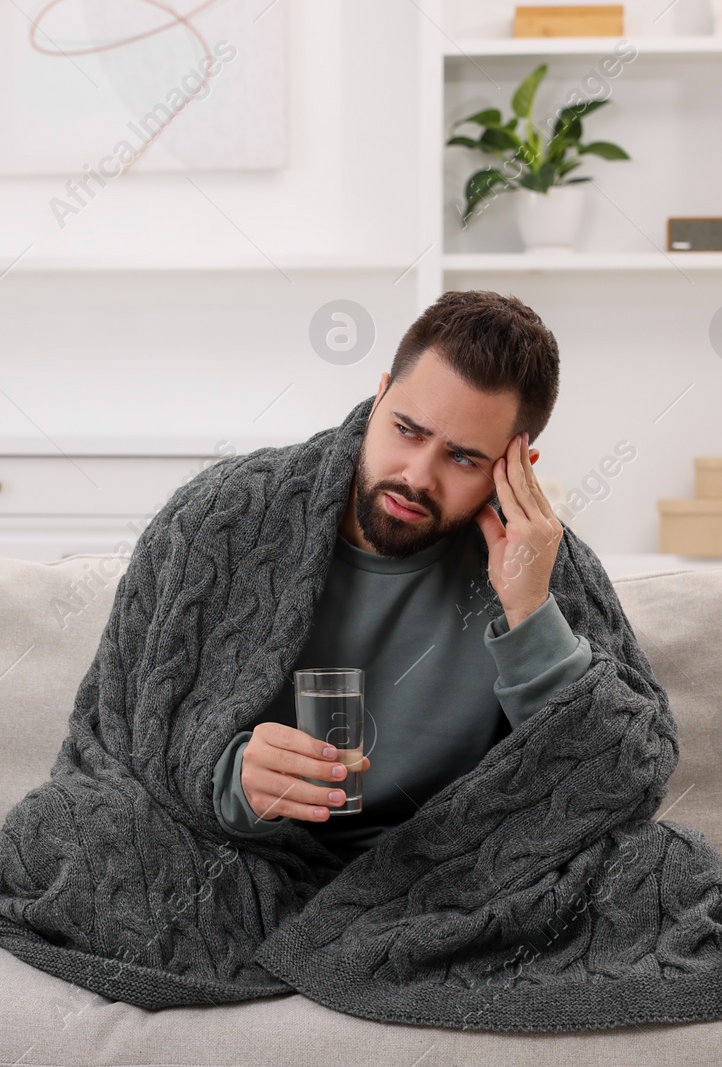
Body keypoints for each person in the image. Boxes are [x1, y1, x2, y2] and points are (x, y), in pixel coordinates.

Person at [213, 289, 593, 863]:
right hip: (254, 866)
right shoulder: (225, 518)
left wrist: (529, 609)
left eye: (463, 458)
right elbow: (126, 748)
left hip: (448, 880)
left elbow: (601, 784)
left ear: (515, 468)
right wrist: (234, 784)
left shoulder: (545, 564)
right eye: (408, 430)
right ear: (380, 394)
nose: (417, 477)